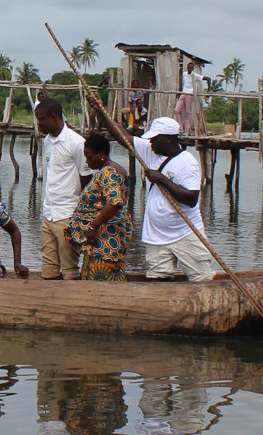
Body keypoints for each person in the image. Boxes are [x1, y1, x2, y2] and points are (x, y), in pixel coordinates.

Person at [132, 117, 213, 281]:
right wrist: (99, 110)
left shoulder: (187, 162)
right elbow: (122, 137)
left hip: (184, 232)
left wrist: (162, 179)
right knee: (156, 279)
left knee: (202, 279)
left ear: (168, 139)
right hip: (156, 236)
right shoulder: (150, 151)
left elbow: (191, 199)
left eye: (154, 139)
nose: (151, 143)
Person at [34, 97, 91, 280]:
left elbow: (87, 179)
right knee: (48, 269)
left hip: (67, 214)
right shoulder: (48, 141)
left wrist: (79, 214)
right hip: (48, 212)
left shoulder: (76, 143)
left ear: (53, 117)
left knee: (69, 270)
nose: (38, 123)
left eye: (41, 119)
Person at [66, 133, 131, 280]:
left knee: (100, 279)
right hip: (104, 238)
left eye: (89, 157)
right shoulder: (116, 169)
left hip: (105, 240)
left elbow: (115, 202)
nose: (87, 162)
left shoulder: (108, 172)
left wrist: (92, 227)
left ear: (101, 154)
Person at [174, 60, 210, 134]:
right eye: (189, 67)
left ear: (193, 69)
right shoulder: (184, 74)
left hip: (190, 94)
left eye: (191, 68)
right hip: (183, 93)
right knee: (176, 110)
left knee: (188, 112)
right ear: (187, 68)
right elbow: (183, 82)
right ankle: (180, 128)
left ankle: (187, 130)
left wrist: (209, 89)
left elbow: (208, 79)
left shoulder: (195, 75)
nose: (190, 69)